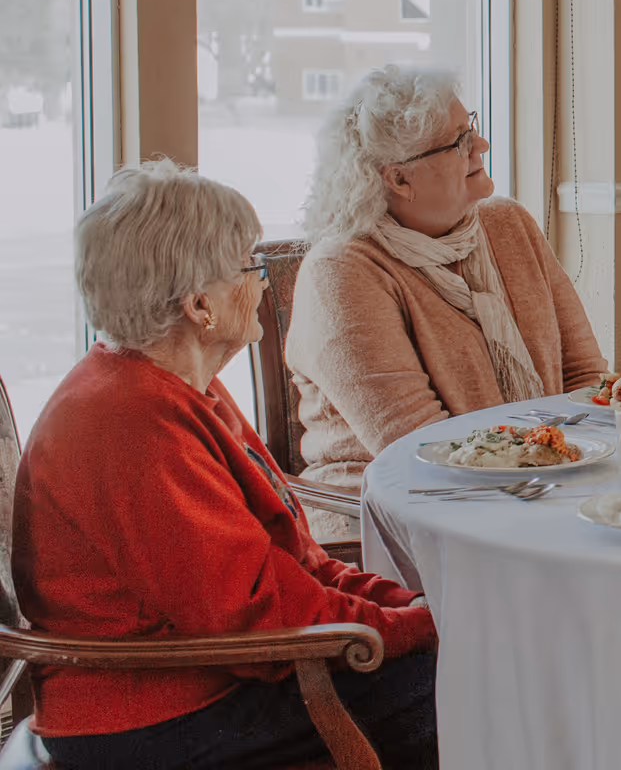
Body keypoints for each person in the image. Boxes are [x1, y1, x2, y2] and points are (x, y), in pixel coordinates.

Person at [14, 161, 439, 770]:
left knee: (469, 664)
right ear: (199, 306)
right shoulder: (130, 421)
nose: (266, 285)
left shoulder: (176, 386)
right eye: (251, 267)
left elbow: (293, 565)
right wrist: (414, 628)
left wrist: (409, 606)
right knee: (465, 688)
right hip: (151, 713)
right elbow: (254, 613)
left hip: (215, 672)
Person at [288, 66, 606, 532]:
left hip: (542, 484)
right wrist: (559, 479)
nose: (481, 146)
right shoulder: (341, 272)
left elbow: (587, 380)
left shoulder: (508, 224)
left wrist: (587, 469)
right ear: (398, 179)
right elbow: (423, 447)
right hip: (395, 512)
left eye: (471, 128)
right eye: (458, 142)